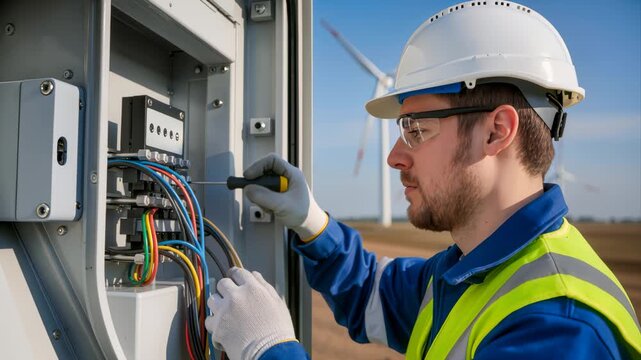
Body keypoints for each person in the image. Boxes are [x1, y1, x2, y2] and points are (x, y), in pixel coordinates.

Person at [205, 2, 641, 359]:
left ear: (496, 132)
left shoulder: (558, 329)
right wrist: (311, 221)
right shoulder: (469, 273)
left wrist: (270, 350)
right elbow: (372, 294)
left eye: (416, 129)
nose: (394, 157)